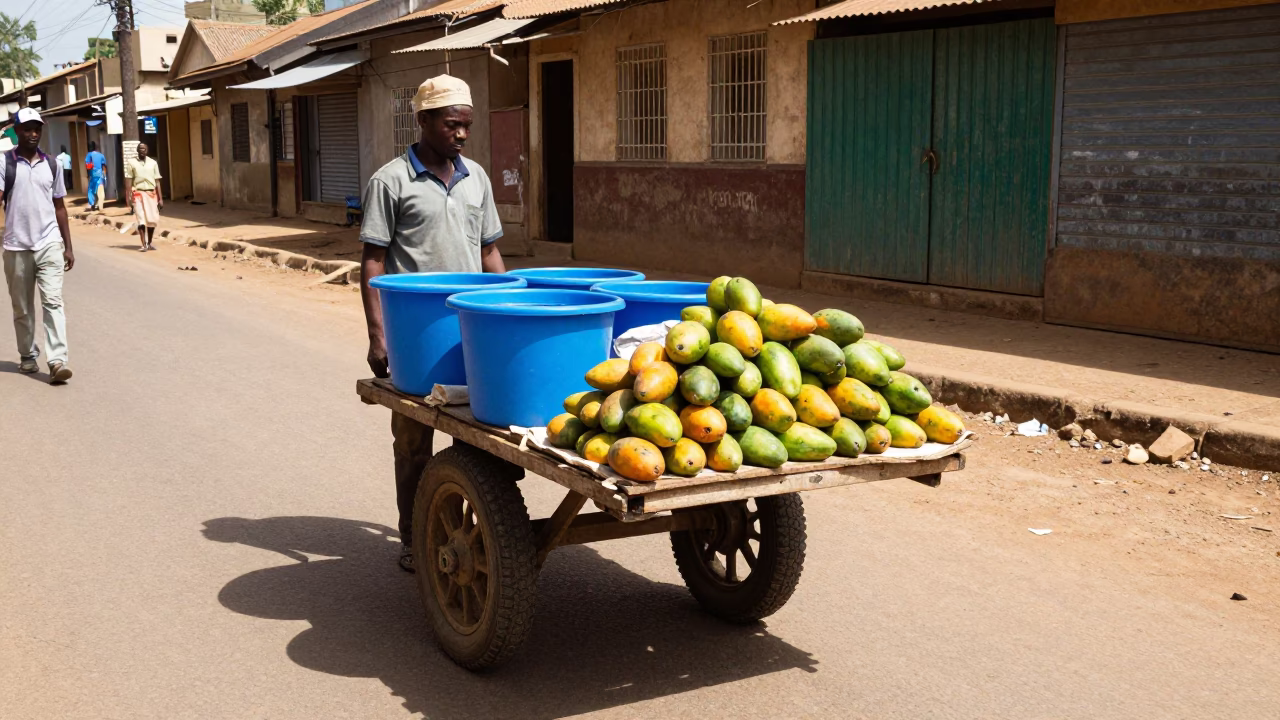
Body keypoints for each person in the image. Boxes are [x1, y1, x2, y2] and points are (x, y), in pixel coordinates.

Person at [359, 75, 506, 573]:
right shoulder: (391, 181)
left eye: (466, 125)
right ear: (422, 121)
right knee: (414, 444)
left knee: (477, 439)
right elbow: (374, 260)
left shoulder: (477, 178)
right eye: (451, 125)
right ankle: (412, 538)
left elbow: (489, 251)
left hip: (472, 330)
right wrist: (378, 335)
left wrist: (507, 309)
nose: (461, 135)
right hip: (416, 336)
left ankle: (468, 532)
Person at [1, 107, 75, 384]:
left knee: (53, 302)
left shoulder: (52, 164)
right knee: (22, 307)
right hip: (17, 246)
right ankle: (28, 356)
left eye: (37, 128)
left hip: (49, 243)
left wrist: (68, 246)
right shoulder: (4, 163)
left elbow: (60, 207)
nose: (33, 134)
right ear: (16, 131)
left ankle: (57, 361)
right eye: (27, 129)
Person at [124, 142, 163, 251]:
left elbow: (157, 181)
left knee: (151, 220)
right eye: (140, 148)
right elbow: (129, 179)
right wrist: (129, 196)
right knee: (141, 219)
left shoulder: (153, 163)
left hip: (151, 194)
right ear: (137, 150)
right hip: (138, 193)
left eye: (144, 149)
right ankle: (143, 244)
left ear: (147, 150)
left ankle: (149, 243)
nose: (142, 150)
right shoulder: (131, 162)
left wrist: (160, 199)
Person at [85, 141, 107, 211]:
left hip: (92, 175)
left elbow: (88, 166)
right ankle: (100, 205)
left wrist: (88, 175)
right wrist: (104, 174)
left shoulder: (89, 155)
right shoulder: (101, 155)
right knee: (100, 190)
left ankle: (92, 204)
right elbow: (104, 166)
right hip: (100, 175)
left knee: (91, 190)